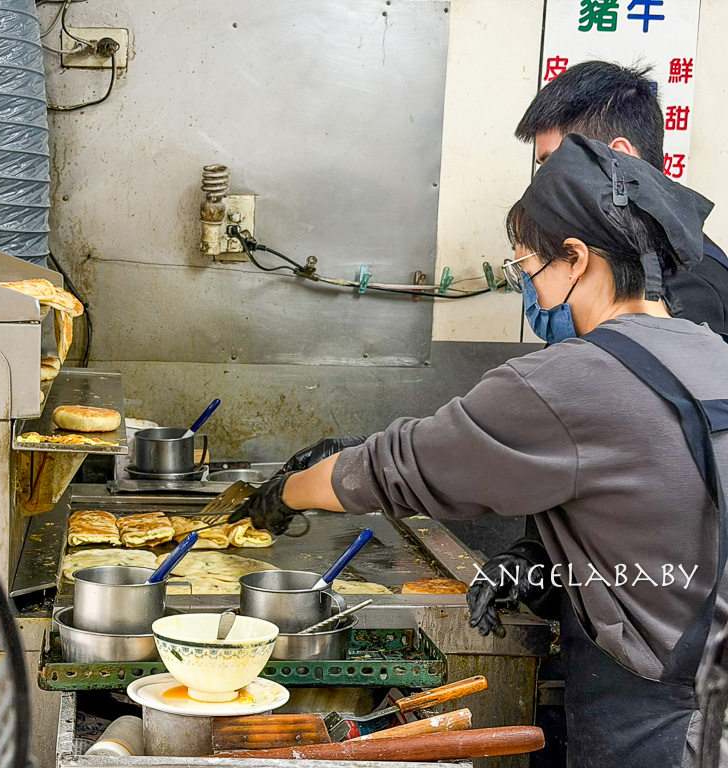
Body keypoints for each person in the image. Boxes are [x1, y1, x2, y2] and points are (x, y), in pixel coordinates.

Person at [240, 134, 728, 767]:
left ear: (576, 259)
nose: (529, 288)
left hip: (660, 725)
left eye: (528, 268)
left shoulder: (571, 379)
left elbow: (395, 470)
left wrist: (285, 493)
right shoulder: (711, 352)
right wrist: (545, 564)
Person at [518, 60, 728, 333]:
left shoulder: (690, 292)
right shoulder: (619, 253)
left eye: (555, 164)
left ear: (620, 159)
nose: (542, 187)